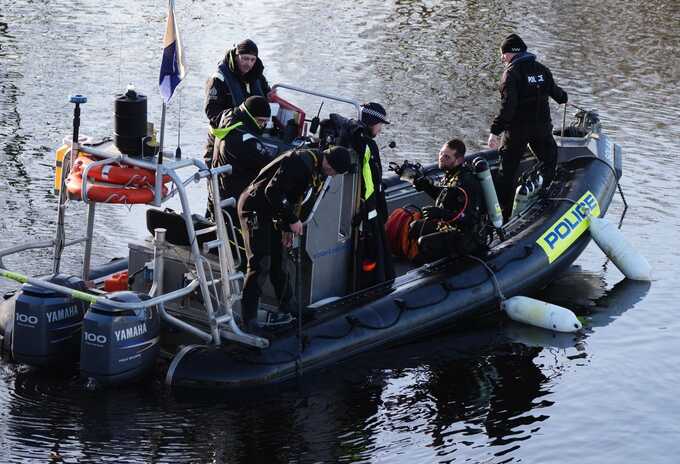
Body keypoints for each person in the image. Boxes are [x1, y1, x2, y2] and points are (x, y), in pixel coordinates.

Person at [237, 146, 353, 332]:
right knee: (261, 262)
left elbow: (296, 198)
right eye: (334, 171)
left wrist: (286, 226)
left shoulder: (319, 170)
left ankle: (288, 304)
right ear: (329, 163)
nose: (333, 175)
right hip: (254, 208)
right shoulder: (300, 161)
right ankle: (248, 318)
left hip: (273, 211)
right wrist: (291, 220)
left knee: (279, 260)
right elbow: (272, 191)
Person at [487, 33, 568, 222]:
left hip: (517, 132)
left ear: (510, 54)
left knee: (506, 172)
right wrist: (564, 98)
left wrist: (495, 131)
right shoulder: (542, 70)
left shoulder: (511, 74)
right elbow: (558, 94)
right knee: (548, 161)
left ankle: (502, 215)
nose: (502, 58)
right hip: (541, 130)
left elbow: (508, 107)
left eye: (503, 54)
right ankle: (543, 199)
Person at [319, 102, 395, 289]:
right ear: (372, 122)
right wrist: (370, 209)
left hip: (344, 203)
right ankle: (371, 286)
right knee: (373, 248)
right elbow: (370, 183)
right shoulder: (367, 144)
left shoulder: (346, 136)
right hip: (364, 208)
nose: (380, 129)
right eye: (380, 124)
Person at [410, 139, 487, 261]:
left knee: (424, 242)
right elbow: (444, 197)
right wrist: (426, 186)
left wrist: (440, 214)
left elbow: (470, 219)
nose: (441, 158)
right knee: (414, 227)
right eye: (441, 153)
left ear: (459, 160)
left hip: (465, 236)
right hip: (447, 225)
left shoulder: (467, 182)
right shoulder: (450, 174)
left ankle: (443, 266)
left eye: (447, 156)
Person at [207, 95, 273, 233]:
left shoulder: (228, 116)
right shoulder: (242, 139)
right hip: (234, 200)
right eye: (261, 122)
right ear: (249, 116)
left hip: (219, 189)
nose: (262, 126)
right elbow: (269, 163)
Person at [203, 39, 271, 167]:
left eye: (252, 60)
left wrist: (270, 97)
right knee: (218, 179)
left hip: (249, 136)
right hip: (221, 140)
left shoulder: (257, 77)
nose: (248, 64)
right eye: (245, 58)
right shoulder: (218, 79)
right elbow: (212, 112)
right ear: (235, 56)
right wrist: (236, 120)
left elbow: (265, 95)